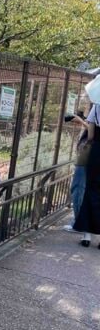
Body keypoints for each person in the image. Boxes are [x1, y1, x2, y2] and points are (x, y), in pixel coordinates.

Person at [73, 104, 100, 246]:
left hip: (97, 152)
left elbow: (90, 135)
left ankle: (87, 236)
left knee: (90, 190)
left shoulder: (97, 107)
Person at [63, 110, 89, 231]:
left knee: (78, 189)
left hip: (87, 159)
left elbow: (94, 132)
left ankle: (79, 224)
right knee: (83, 191)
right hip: (87, 158)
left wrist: (82, 121)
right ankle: (81, 222)